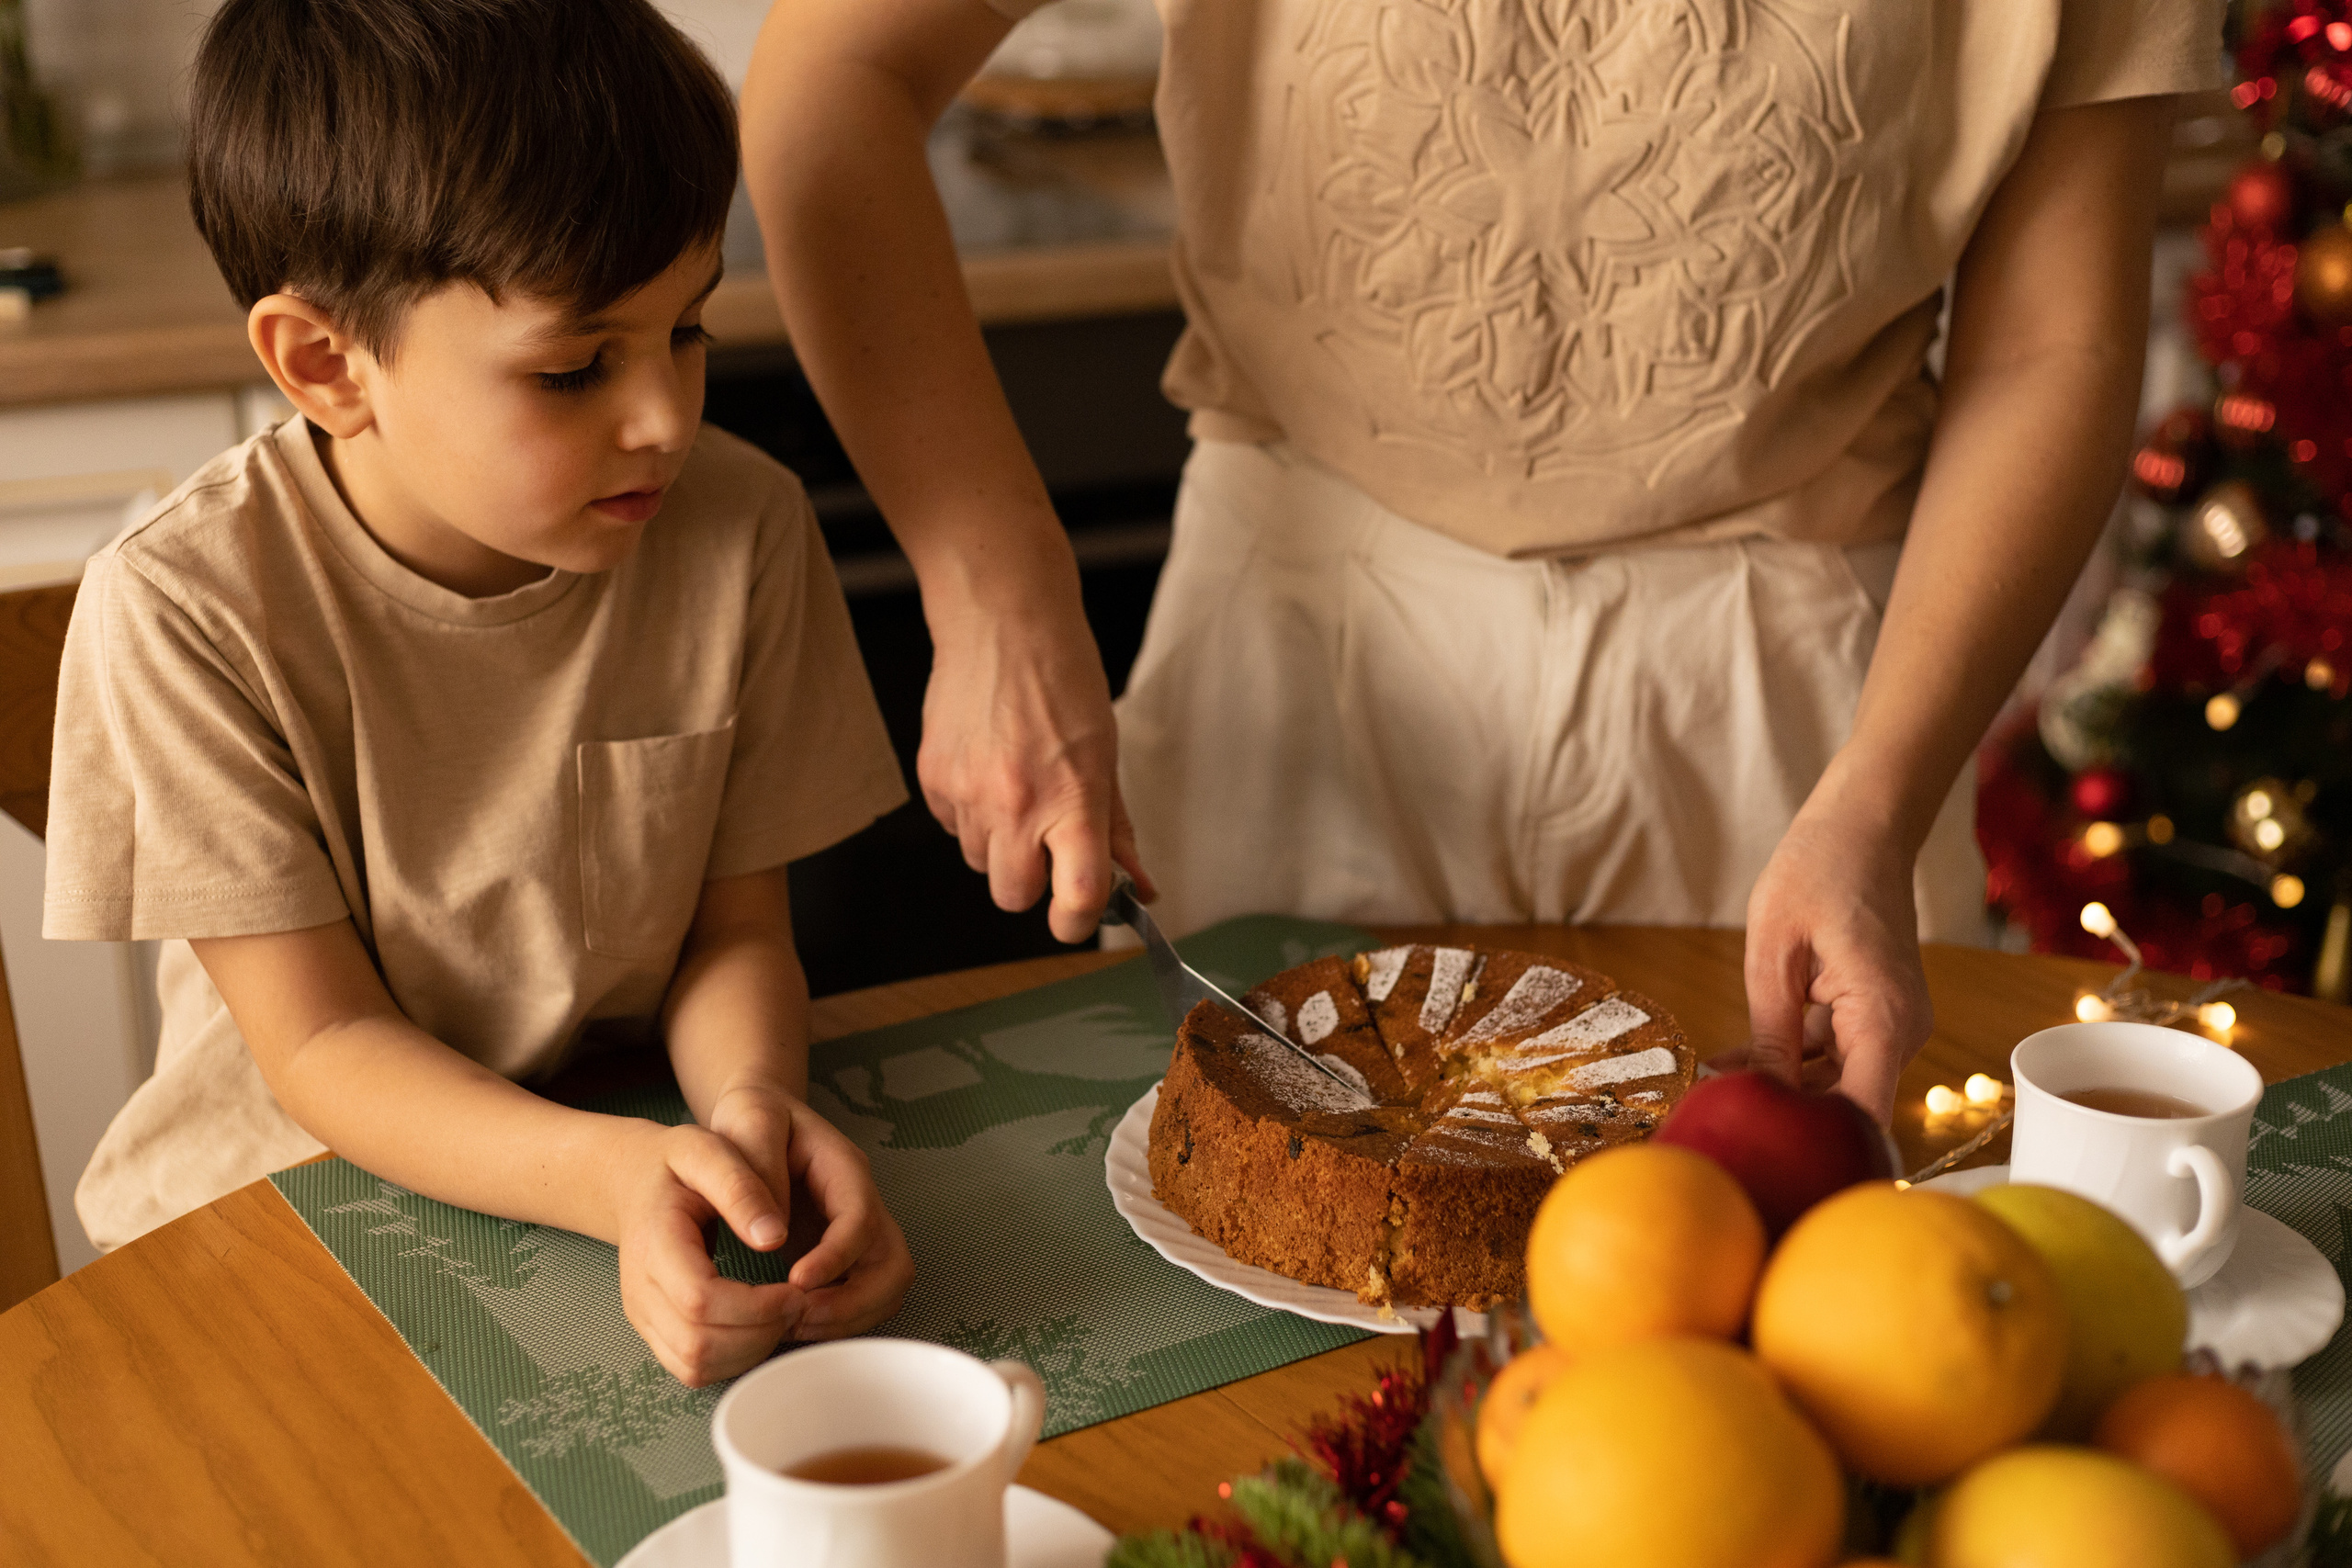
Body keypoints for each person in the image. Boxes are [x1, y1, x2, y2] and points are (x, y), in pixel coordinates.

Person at [742, 0, 2222, 1120]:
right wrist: (994, 595)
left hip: (1798, 712)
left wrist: (1879, 799)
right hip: (1298, 643)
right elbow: (833, 83)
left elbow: (2052, 339)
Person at [42, 0, 912, 1385]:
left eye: (687, 330)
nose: (665, 419)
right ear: (327, 364)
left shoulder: (739, 529)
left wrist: (747, 1116)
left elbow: (732, 939)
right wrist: (618, 1178)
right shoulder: (185, 611)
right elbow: (322, 1042)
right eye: (575, 367)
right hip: (280, 1237)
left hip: (617, 1171)